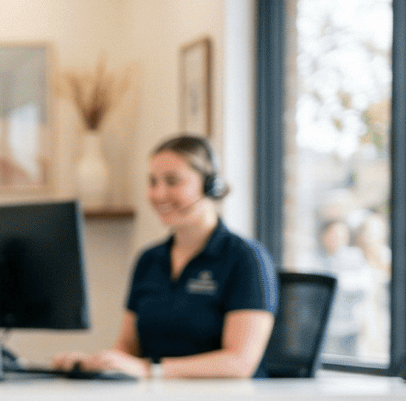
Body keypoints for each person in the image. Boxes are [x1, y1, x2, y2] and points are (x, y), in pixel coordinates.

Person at [52, 135, 277, 379]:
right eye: (152, 182)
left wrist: (150, 370)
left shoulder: (246, 259)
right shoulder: (149, 259)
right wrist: (95, 363)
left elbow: (238, 363)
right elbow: (128, 348)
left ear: (209, 185)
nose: (159, 194)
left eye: (172, 181)